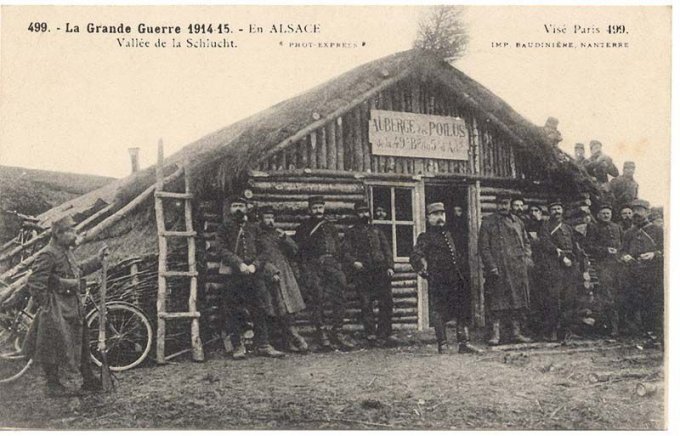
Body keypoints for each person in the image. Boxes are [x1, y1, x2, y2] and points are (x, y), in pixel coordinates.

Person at [22, 216, 109, 397]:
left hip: (73, 306)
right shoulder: (48, 254)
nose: (74, 235)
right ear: (58, 233)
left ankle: (88, 379)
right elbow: (36, 282)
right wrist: (47, 304)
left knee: (81, 341)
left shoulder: (66, 251)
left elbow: (79, 270)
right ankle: (52, 385)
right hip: (56, 307)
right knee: (52, 345)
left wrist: (97, 259)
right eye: (70, 231)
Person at [214, 195, 284, 359]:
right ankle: (238, 346)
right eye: (235, 206)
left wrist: (255, 265)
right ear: (230, 209)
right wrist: (239, 263)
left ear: (246, 208)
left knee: (260, 308)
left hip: (254, 274)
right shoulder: (224, 228)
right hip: (234, 275)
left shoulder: (254, 228)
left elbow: (264, 250)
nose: (238, 209)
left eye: (241, 206)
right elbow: (221, 249)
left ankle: (264, 345)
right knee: (233, 309)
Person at [411, 202, 483, 354]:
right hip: (438, 280)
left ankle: (464, 343)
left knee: (462, 309)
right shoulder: (425, 237)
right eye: (436, 215)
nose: (440, 218)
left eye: (442, 214)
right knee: (439, 311)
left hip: (455, 279)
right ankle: (442, 345)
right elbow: (416, 254)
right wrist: (422, 268)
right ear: (428, 218)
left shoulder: (449, 234)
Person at [294, 196, 354, 351]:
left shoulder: (330, 227)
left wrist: (339, 265)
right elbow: (298, 250)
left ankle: (337, 332)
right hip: (314, 265)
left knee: (340, 296)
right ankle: (322, 333)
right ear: (309, 210)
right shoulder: (303, 227)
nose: (318, 211)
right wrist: (305, 268)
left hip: (332, 264)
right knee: (317, 297)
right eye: (315, 208)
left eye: (320, 207)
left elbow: (338, 248)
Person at [478, 194, 533, 345]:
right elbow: (484, 247)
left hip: (517, 269)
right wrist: (491, 266)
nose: (503, 206)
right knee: (497, 302)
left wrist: (526, 258)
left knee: (517, 302)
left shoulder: (518, 222)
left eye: (506, 203)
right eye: (500, 204)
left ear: (510, 204)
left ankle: (516, 333)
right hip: (499, 269)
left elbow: (526, 242)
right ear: (496, 205)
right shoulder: (488, 222)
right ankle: (495, 335)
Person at [343, 200, 396, 346]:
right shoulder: (351, 232)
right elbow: (345, 252)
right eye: (360, 212)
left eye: (366, 212)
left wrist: (390, 266)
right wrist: (354, 262)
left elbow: (387, 250)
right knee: (366, 304)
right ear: (356, 214)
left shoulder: (377, 230)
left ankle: (384, 334)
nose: (364, 214)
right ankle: (370, 334)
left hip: (380, 272)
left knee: (387, 302)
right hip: (363, 273)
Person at [257, 206, 309, 353]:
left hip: (285, 273)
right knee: (276, 307)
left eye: (272, 218)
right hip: (268, 273)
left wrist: (285, 238)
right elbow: (256, 257)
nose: (270, 221)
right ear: (261, 219)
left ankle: (288, 342)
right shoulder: (257, 235)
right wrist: (269, 271)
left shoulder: (278, 233)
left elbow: (295, 250)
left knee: (288, 308)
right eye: (267, 217)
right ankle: (293, 337)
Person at [538, 200, 585, 342]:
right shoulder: (545, 226)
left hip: (571, 267)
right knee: (554, 299)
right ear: (549, 212)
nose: (557, 211)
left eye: (559, 209)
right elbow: (545, 243)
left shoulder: (567, 227)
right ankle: (550, 331)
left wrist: (579, 263)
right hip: (555, 266)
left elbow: (575, 246)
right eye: (554, 209)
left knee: (569, 299)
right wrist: (560, 255)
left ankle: (565, 331)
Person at [619, 199, 663, 340]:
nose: (637, 213)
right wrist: (624, 256)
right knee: (639, 300)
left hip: (653, 271)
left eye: (640, 210)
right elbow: (622, 251)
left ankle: (656, 331)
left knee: (654, 301)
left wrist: (654, 254)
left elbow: (668, 249)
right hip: (634, 271)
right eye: (635, 210)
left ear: (647, 212)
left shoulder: (657, 230)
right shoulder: (628, 233)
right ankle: (644, 331)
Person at [584, 204, 623, 337]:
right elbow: (588, 246)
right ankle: (611, 326)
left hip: (618, 266)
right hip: (603, 266)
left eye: (608, 213)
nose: (606, 215)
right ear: (598, 215)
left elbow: (623, 245)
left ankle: (621, 325)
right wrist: (605, 250)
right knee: (606, 295)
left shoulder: (616, 227)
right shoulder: (593, 227)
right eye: (603, 213)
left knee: (619, 293)